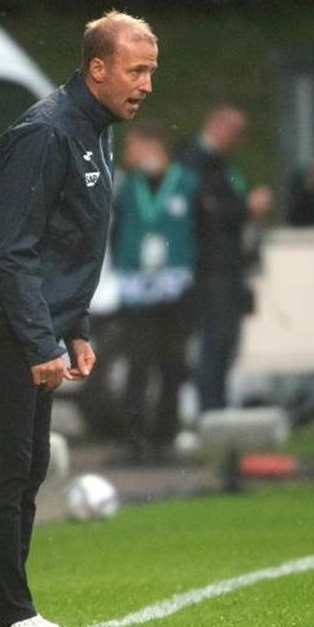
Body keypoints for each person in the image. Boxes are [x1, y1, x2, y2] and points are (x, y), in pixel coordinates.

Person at [0, 10, 158, 627]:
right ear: (97, 68)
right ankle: (10, 618)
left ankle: (0, 614)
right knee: (8, 469)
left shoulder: (94, 127)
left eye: (151, 70)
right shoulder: (46, 133)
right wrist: (41, 340)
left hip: (31, 316)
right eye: (136, 70)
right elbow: (12, 251)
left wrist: (76, 325)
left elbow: (67, 244)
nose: (147, 84)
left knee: (30, 465)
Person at [109, 121, 199, 464]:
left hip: (176, 287)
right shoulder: (126, 187)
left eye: (135, 147)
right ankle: (134, 440)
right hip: (137, 287)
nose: (130, 155)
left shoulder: (186, 184)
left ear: (153, 146)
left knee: (173, 364)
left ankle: (166, 437)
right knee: (137, 365)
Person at [180, 104, 274, 413]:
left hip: (230, 265)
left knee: (226, 342)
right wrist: (247, 207)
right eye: (235, 131)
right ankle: (210, 409)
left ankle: (218, 405)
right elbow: (207, 214)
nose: (240, 139)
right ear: (216, 124)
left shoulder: (222, 164)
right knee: (214, 340)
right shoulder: (194, 161)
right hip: (211, 267)